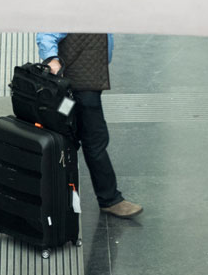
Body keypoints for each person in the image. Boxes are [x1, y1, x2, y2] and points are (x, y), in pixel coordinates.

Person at [35, 32, 143, 219]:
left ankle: (65, 196)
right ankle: (110, 200)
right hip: (78, 84)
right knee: (94, 140)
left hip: (87, 79)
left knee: (77, 137)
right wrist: (52, 59)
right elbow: (46, 34)